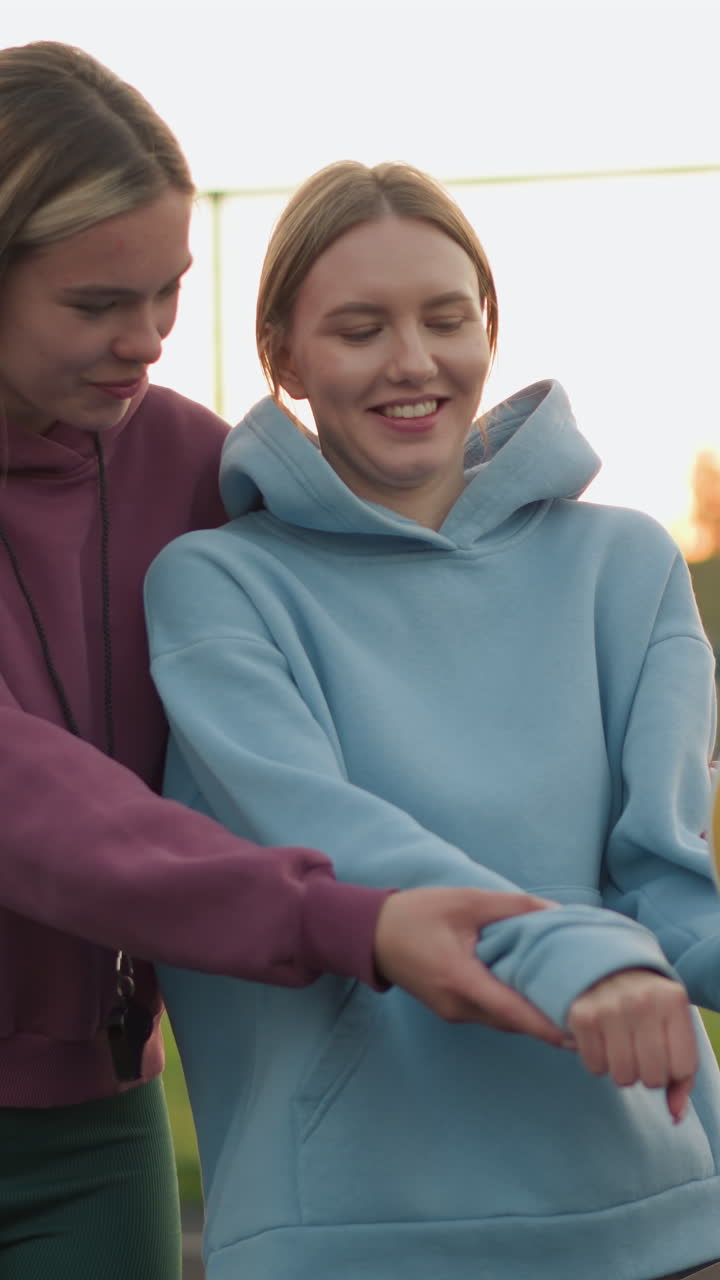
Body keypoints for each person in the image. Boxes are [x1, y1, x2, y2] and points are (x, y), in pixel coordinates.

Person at [0, 48, 568, 1280]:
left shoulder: (182, 461)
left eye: (168, 291)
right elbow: (33, 801)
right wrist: (343, 914)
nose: (147, 339)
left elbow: (380, 594)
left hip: (92, 1115)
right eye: (97, 304)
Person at [145, 160, 720, 1280]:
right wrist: (569, 952)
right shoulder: (216, 585)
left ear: (488, 327)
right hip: (351, 1229)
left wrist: (646, 957)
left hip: (650, 1209)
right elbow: (328, 838)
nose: (412, 361)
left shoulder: (626, 564)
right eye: (360, 329)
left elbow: (666, 876)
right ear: (284, 356)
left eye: (445, 319)